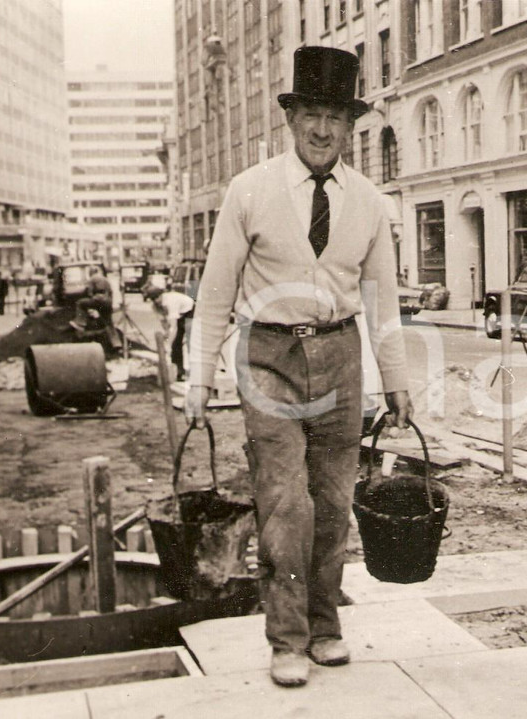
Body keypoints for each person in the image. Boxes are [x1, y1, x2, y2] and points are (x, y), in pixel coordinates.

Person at [185, 46, 412, 688]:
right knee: (285, 502)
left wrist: (396, 381)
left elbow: (383, 302)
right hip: (268, 356)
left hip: (340, 359)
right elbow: (215, 293)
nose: (321, 130)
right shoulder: (248, 191)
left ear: (350, 127)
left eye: (335, 118)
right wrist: (199, 377)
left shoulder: (370, 202)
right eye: (311, 114)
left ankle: (325, 625)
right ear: (291, 119)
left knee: (334, 502)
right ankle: (286, 638)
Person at [144, 283, 194, 381]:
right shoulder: (155, 307)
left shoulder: (171, 301)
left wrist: (168, 344)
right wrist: (168, 338)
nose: (155, 301)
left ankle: (196, 371)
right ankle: (179, 372)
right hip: (178, 316)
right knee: (176, 344)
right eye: (152, 299)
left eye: (156, 298)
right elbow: (165, 324)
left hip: (190, 311)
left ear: (161, 295)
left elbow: (174, 327)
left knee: (191, 341)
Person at [71, 266, 112, 330]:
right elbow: (111, 291)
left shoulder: (92, 279)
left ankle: (80, 323)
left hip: (98, 299)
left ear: (91, 272)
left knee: (80, 303)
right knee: (104, 315)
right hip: (107, 301)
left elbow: (89, 292)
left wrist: (91, 297)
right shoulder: (105, 279)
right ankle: (105, 326)